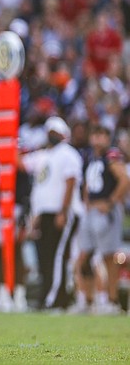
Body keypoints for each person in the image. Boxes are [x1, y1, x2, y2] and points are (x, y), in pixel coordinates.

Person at [20, 116, 81, 310]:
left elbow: (70, 182)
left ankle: (56, 299)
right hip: (44, 214)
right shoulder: (45, 155)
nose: (51, 136)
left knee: (57, 257)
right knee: (45, 257)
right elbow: (34, 180)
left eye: (54, 132)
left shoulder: (68, 154)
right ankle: (48, 296)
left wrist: (63, 211)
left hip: (61, 213)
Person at [75, 124, 129, 314]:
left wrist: (111, 202)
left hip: (106, 212)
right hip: (91, 211)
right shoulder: (92, 158)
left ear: (108, 138)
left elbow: (124, 180)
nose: (97, 139)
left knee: (108, 257)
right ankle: (88, 299)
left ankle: (112, 300)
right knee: (84, 256)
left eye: (102, 136)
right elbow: (89, 184)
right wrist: (86, 200)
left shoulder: (112, 156)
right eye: (95, 135)